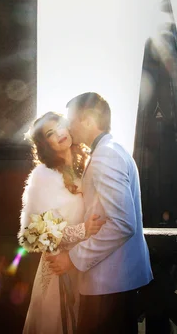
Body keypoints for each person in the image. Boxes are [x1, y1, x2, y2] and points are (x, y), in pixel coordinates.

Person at [47, 92, 153, 334]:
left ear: (87, 119)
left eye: (71, 120)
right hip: (115, 284)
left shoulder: (106, 155)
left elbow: (123, 224)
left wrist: (73, 258)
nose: (68, 127)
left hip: (109, 286)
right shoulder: (111, 150)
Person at [19, 111, 106, 334]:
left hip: (87, 265)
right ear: (44, 144)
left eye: (59, 126)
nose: (58, 133)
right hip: (59, 271)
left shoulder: (85, 167)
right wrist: (82, 230)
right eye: (50, 133)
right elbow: (35, 234)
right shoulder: (42, 176)